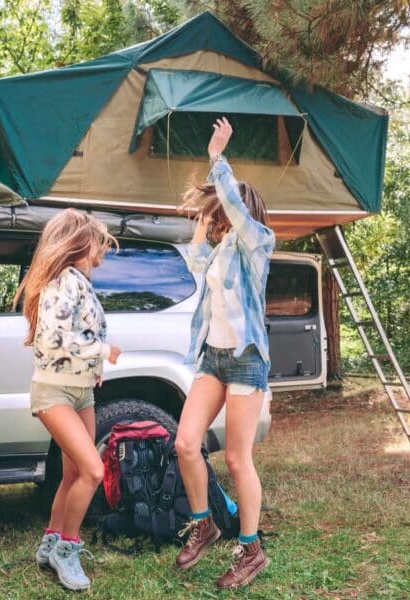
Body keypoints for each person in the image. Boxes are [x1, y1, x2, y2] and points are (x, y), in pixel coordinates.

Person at [173, 117, 276, 589]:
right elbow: (196, 260)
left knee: (237, 458)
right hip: (213, 357)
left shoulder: (258, 243)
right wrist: (202, 220)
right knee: (185, 443)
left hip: (246, 359)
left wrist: (217, 158)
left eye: (224, 210)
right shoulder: (222, 250)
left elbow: (233, 203)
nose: (221, 218)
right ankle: (205, 524)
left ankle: (251, 550)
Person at [14, 208, 122, 592]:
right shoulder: (63, 282)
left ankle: (50, 542)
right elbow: (54, 338)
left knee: (74, 473)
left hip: (81, 391)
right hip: (54, 391)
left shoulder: (79, 282)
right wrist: (103, 352)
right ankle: (67, 549)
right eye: (97, 242)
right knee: (93, 471)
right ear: (78, 242)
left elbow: (80, 330)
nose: (102, 249)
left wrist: (94, 368)